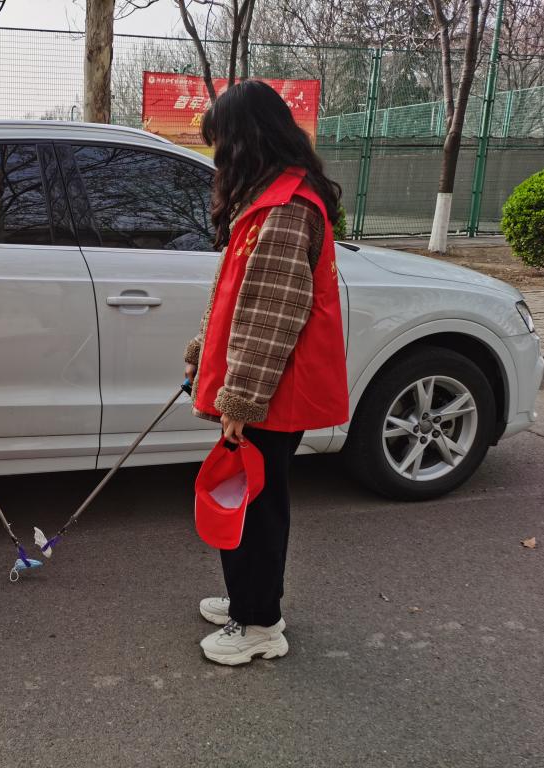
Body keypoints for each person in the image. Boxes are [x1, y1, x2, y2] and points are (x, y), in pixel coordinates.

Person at [184, 80, 349, 665]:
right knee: (250, 498)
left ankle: (258, 623)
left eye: (221, 143)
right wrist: (203, 350)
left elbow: (272, 316)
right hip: (264, 388)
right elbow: (239, 297)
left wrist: (241, 400)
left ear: (247, 139)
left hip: (271, 392)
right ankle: (247, 600)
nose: (217, 157)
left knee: (254, 505)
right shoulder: (268, 199)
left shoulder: (286, 207)